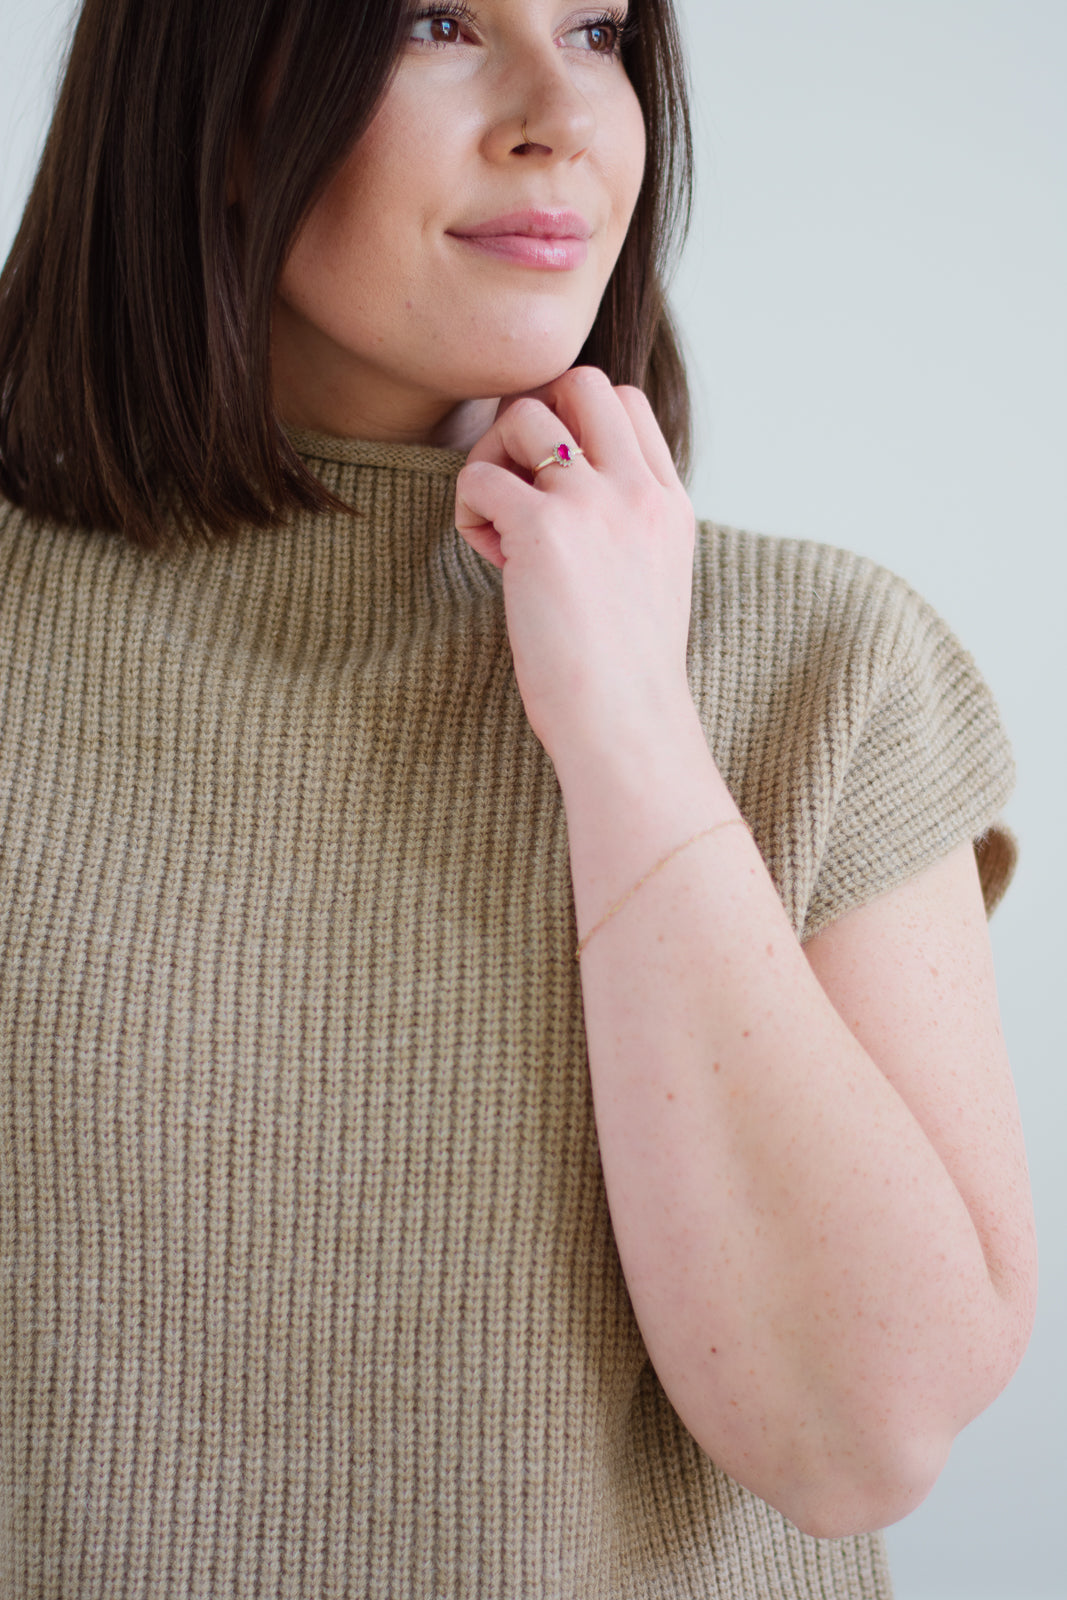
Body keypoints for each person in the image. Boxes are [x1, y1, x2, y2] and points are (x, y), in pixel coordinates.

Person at [0, 1, 1037, 1596]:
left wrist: (625, 718)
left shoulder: (824, 668)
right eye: (439, 23)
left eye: (601, 30)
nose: (563, 113)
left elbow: (862, 1432)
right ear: (216, 101)